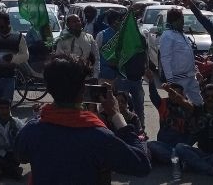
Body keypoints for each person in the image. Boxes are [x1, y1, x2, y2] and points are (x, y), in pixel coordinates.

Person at [15, 53, 152, 184]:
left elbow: (22, 156)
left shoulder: (31, 130)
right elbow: (141, 165)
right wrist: (116, 115)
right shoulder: (99, 136)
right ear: (82, 90)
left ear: (49, 89)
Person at [172, 83, 213, 177]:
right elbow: (183, 102)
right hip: (202, 153)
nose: (210, 99)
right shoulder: (198, 110)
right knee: (180, 147)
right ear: (203, 97)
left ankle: (194, 165)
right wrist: (177, 97)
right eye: (207, 96)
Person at [145, 69, 192, 164]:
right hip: (164, 144)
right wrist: (151, 80)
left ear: (182, 95)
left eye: (176, 94)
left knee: (180, 149)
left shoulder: (187, 106)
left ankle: (172, 159)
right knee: (149, 145)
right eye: (171, 93)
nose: (173, 96)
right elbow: (154, 95)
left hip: (180, 146)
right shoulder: (163, 103)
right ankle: (179, 160)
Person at [159, 7, 202, 104]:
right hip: (178, 80)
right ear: (174, 21)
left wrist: (196, 71)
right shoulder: (167, 36)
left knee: (199, 104)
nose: (183, 22)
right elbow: (165, 59)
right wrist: (171, 82)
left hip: (191, 77)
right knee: (179, 107)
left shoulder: (181, 34)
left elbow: (188, 56)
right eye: (181, 20)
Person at [54, 14, 100, 78]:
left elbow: (96, 57)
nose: (77, 23)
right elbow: (58, 56)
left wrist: (95, 76)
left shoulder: (89, 37)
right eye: (74, 22)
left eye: (78, 21)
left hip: (85, 75)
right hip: (67, 76)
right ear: (68, 25)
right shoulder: (63, 39)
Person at [95, 10, 123, 84]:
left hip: (121, 74)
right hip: (106, 73)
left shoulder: (124, 35)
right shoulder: (101, 35)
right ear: (114, 22)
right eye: (120, 20)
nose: (122, 22)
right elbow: (95, 53)